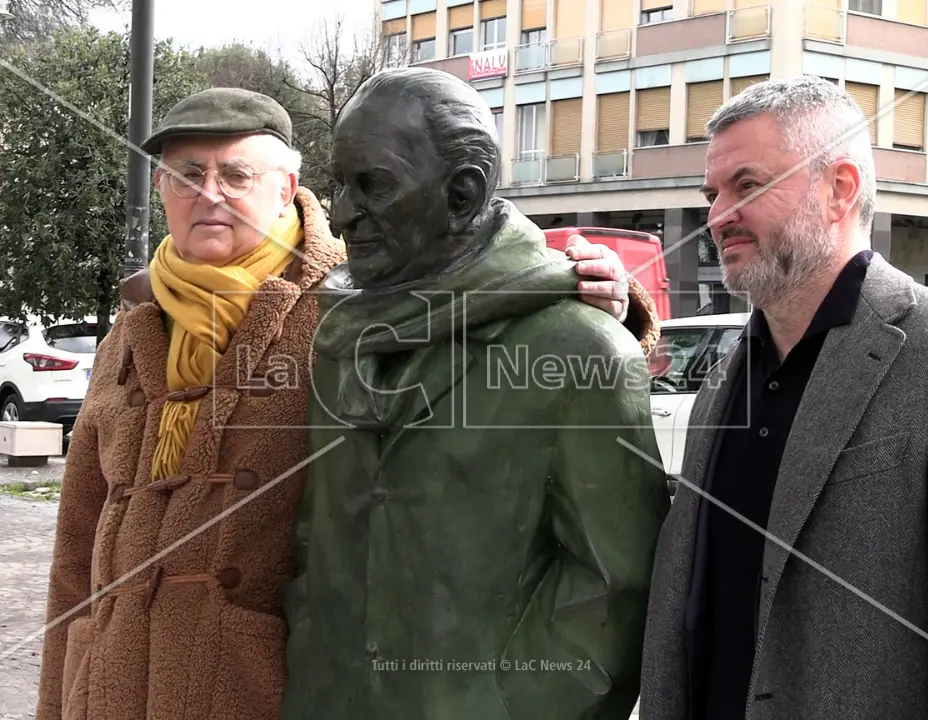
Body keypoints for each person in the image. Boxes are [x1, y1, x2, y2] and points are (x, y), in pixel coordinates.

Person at [34, 87, 659, 720]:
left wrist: (609, 300)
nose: (208, 193)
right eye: (185, 175)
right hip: (120, 690)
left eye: (236, 174)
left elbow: (479, 288)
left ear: (286, 187)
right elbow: (79, 540)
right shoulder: (134, 325)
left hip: (255, 692)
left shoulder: (344, 300)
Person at [278, 66, 671, 719]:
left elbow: (614, 588)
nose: (341, 214)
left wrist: (506, 707)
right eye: (339, 184)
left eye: (372, 186)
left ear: (462, 195)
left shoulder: (582, 352)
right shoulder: (340, 337)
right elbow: (316, 533)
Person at [637, 75, 928, 719]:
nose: (716, 216)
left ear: (838, 189)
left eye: (747, 186)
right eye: (712, 193)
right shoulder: (726, 378)